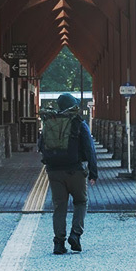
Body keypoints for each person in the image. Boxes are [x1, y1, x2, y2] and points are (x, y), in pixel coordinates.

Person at [38, 92, 98, 254]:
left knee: (59, 206)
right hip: (75, 170)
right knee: (80, 202)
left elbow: (41, 145)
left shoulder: (50, 122)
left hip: (53, 170)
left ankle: (59, 243)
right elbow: (89, 148)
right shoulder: (78, 122)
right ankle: (75, 235)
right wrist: (93, 172)